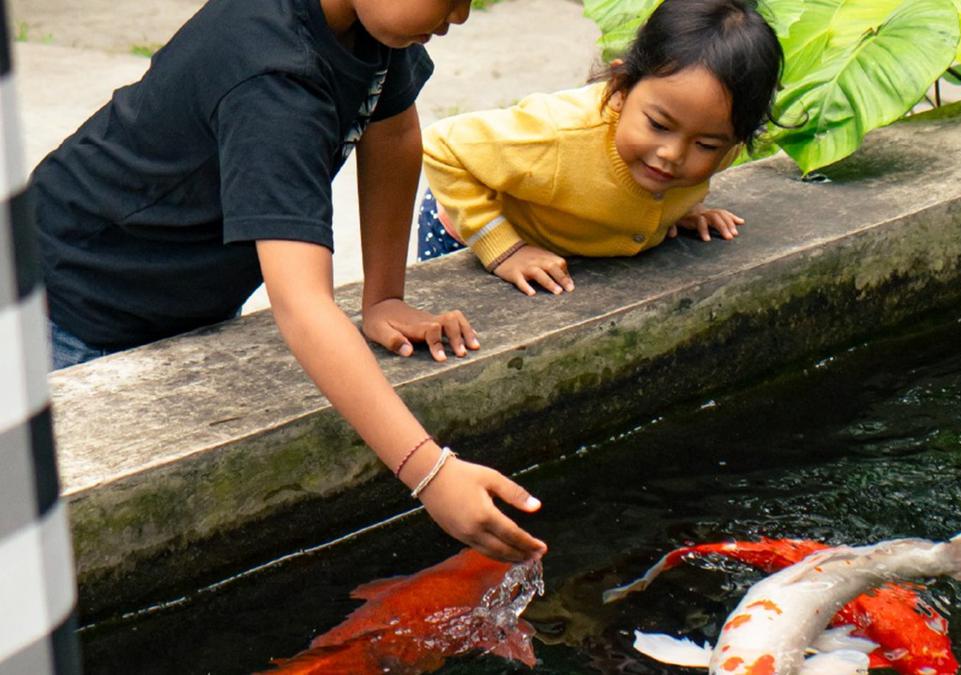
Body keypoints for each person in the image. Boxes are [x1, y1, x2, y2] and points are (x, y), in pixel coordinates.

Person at [31, 0, 547, 563]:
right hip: (67, 303)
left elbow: (393, 129)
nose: (463, 14)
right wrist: (431, 473)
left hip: (171, 291)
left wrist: (384, 297)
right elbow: (302, 306)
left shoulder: (362, 26)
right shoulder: (275, 78)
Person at [418, 0, 783, 296]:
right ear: (621, 88)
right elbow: (442, 146)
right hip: (468, 228)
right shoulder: (558, 135)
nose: (672, 154)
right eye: (658, 125)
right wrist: (503, 249)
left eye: (705, 144)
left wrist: (683, 207)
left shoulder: (719, 141)